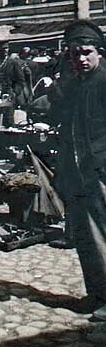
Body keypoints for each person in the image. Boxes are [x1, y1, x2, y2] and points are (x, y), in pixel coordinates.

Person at [48, 20, 106, 321]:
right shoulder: (75, 81)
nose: (80, 59)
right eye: (73, 54)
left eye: (85, 53)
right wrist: (64, 80)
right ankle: (96, 294)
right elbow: (54, 111)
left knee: (102, 235)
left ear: (99, 52)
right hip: (77, 170)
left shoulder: (104, 80)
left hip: (99, 171)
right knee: (85, 237)